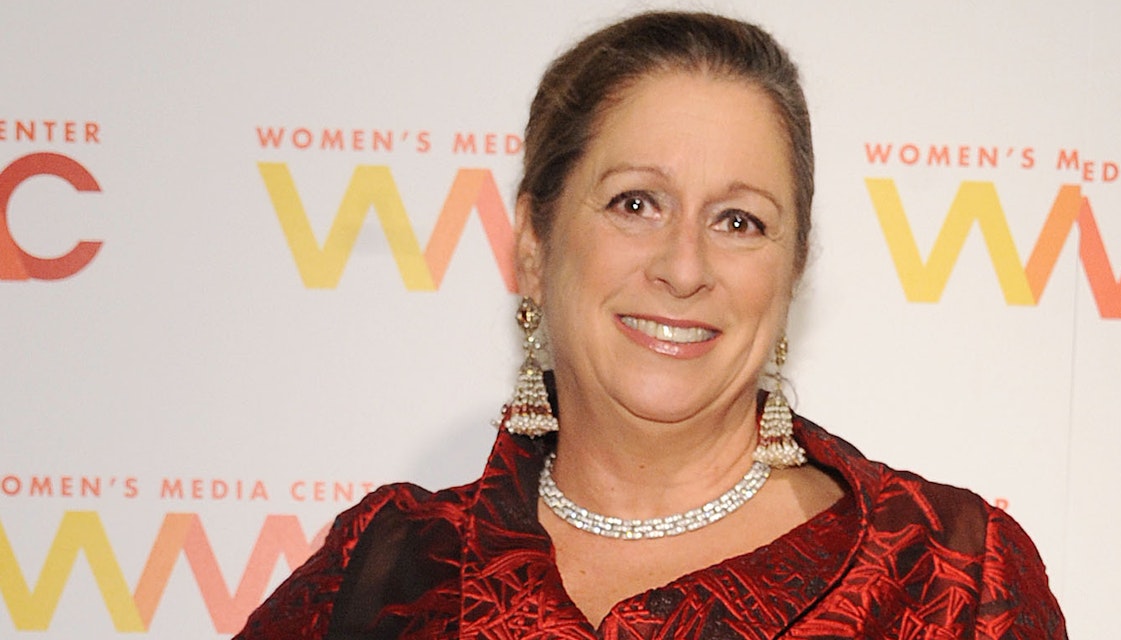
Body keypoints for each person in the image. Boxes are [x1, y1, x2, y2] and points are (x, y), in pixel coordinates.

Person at [236, 11, 1066, 639]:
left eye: (739, 221)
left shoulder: (946, 581)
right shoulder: (387, 572)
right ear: (533, 244)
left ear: (793, 270)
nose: (684, 266)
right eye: (636, 204)